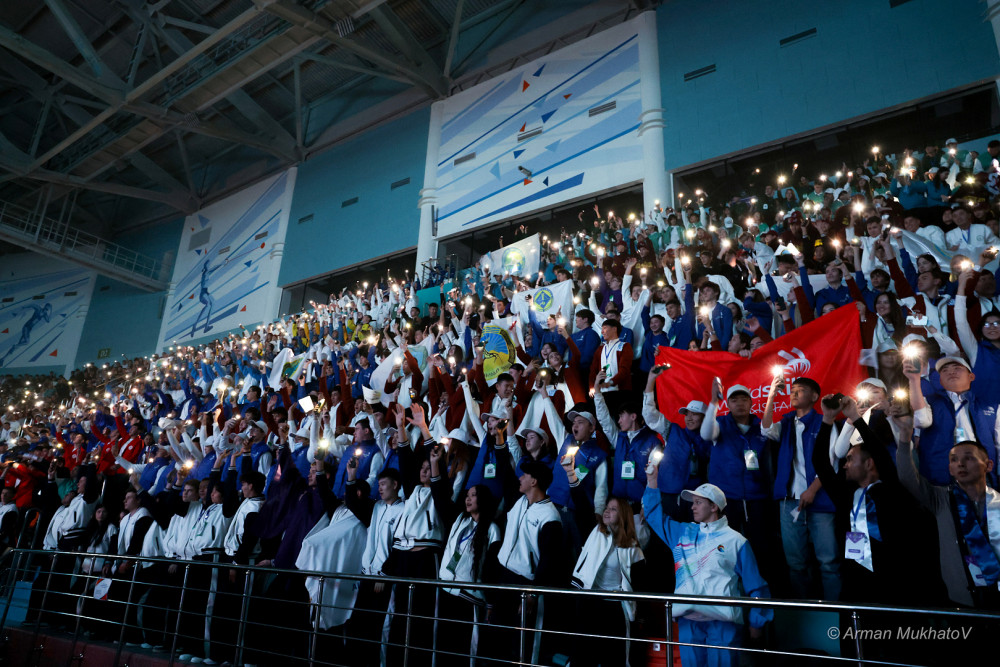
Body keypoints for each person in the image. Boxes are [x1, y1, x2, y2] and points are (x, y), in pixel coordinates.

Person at [643, 476, 772, 667]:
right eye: (693, 503)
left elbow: (756, 586)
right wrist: (652, 480)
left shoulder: (736, 541)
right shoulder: (682, 532)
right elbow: (653, 516)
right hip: (688, 621)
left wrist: (756, 623)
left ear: (714, 507)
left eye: (698, 502)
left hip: (723, 623)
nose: (692, 507)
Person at [897, 420, 1000, 610]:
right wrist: (904, 437)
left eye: (968, 458)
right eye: (953, 460)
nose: (960, 463)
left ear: (989, 465)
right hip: (960, 600)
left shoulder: (998, 503)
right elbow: (906, 476)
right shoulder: (940, 499)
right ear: (950, 469)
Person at [762, 375, 841, 600]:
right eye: (792, 389)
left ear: (815, 397)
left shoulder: (824, 421)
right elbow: (766, 429)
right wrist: (771, 395)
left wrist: (813, 489)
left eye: (801, 390)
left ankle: (834, 611)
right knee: (796, 563)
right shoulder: (786, 421)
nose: (794, 393)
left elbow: (832, 461)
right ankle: (804, 611)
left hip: (821, 500)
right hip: (789, 502)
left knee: (828, 561)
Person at [567, 484, 646, 667]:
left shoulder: (633, 547)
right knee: (582, 657)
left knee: (613, 659)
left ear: (624, 515)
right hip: (589, 602)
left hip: (614, 609)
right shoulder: (595, 531)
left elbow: (639, 585)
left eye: (613, 509)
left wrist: (638, 615)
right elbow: (581, 504)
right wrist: (572, 477)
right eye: (606, 508)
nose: (607, 512)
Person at [907, 356, 999, 487]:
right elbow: (921, 421)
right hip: (942, 478)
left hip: (983, 475)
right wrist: (914, 380)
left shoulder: (990, 405)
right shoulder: (929, 401)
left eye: (957, 368)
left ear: (971, 376)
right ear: (940, 380)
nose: (951, 372)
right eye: (945, 370)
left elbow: (999, 444)